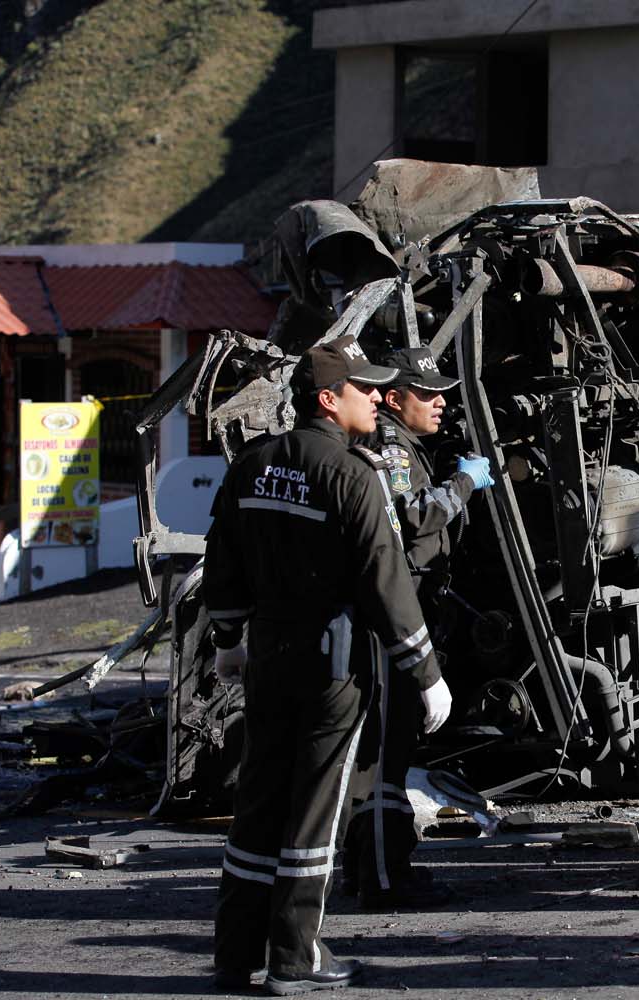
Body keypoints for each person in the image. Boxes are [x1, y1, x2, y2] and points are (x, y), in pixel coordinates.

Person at [205, 334, 452, 995]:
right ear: (326, 399)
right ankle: (296, 957)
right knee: (314, 810)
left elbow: (222, 563)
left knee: (258, 803)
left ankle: (237, 953)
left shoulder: (251, 466)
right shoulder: (353, 474)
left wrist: (229, 639)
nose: (377, 396)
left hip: (266, 659)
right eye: (362, 388)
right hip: (331, 667)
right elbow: (385, 579)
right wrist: (425, 673)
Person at [344, 346, 494, 909]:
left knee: (384, 746)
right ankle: (385, 875)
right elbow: (411, 519)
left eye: (442, 393)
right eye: (426, 394)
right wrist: (462, 484)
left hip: (404, 606)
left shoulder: (401, 444)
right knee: (388, 746)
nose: (439, 403)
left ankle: (368, 867)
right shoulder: (389, 447)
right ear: (394, 396)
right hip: (397, 611)